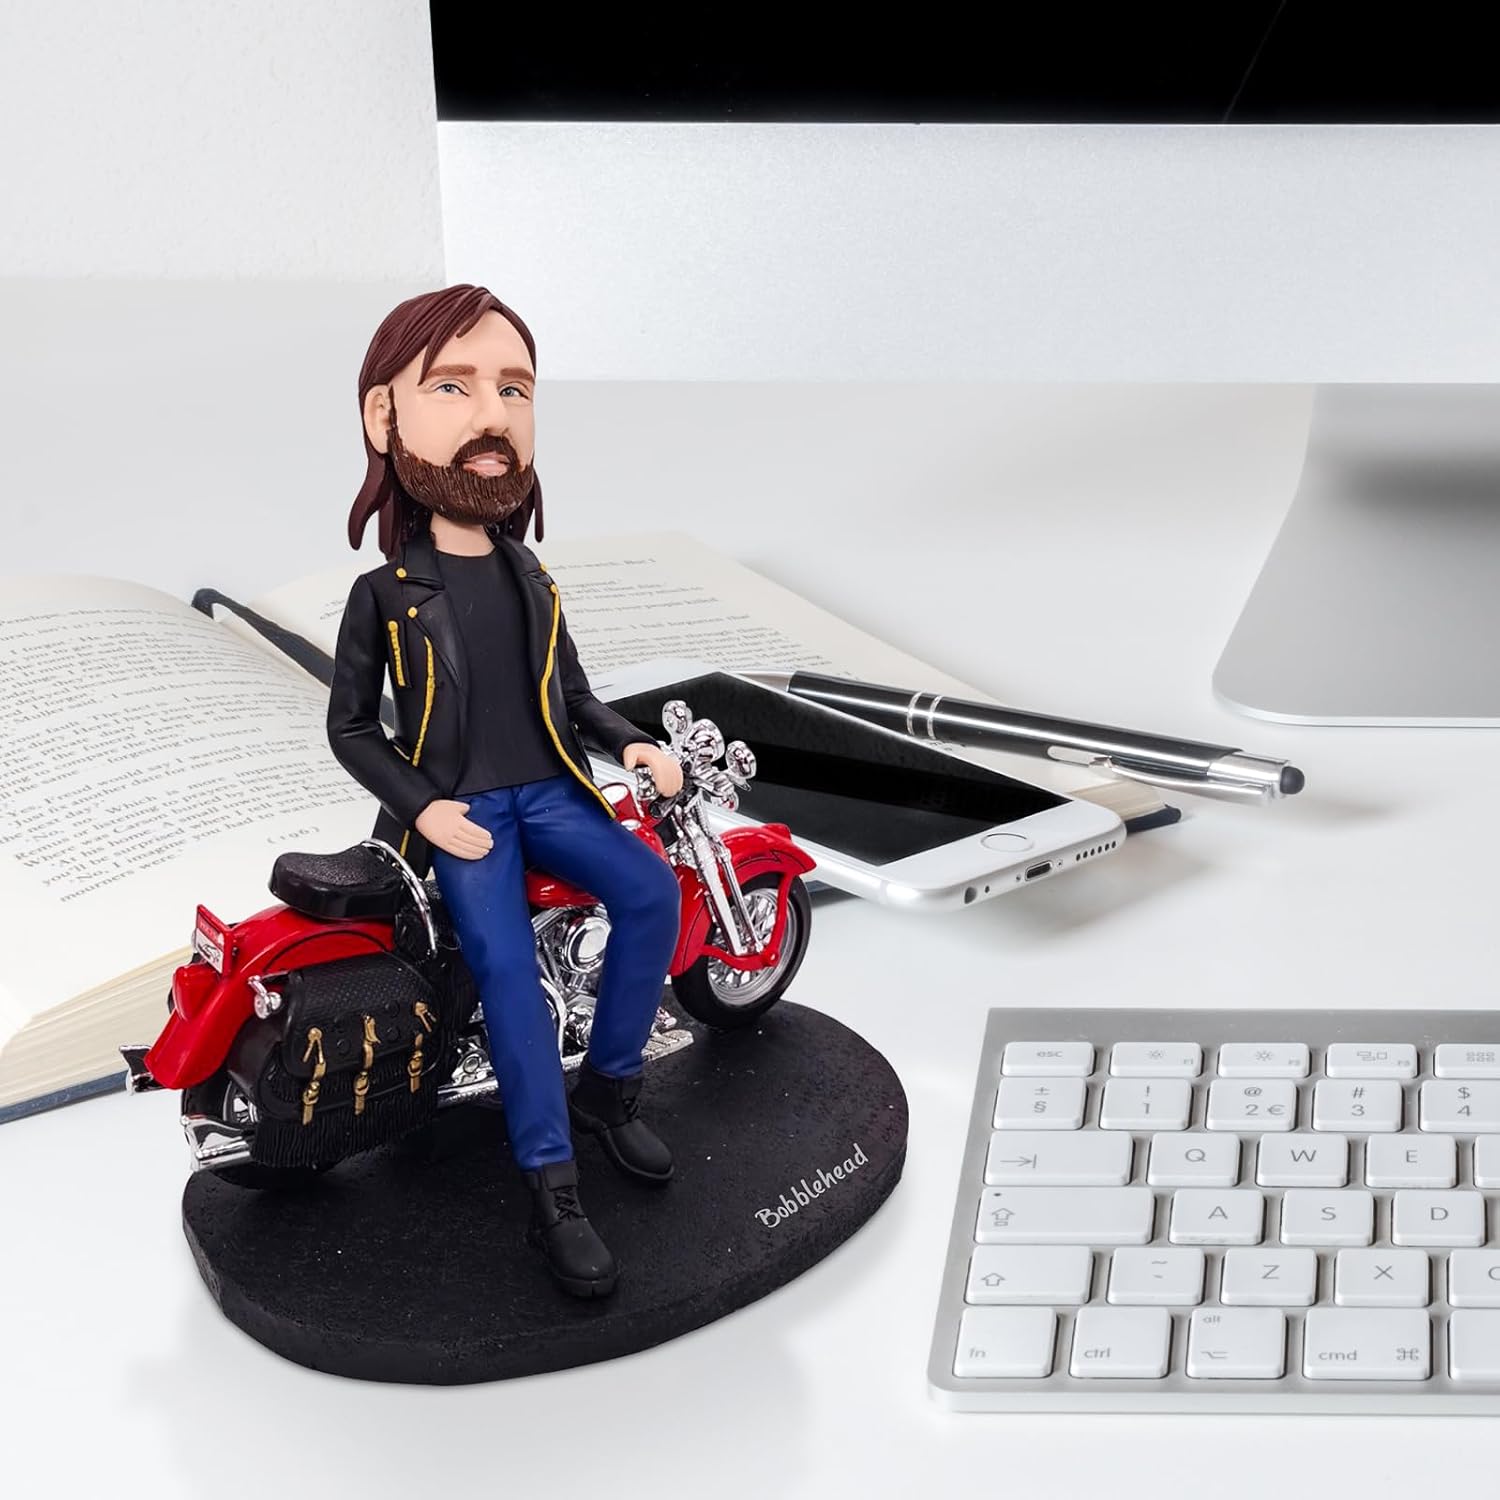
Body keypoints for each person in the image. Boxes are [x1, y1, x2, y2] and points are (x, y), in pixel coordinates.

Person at [326, 284, 685, 1299]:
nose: (493, 416)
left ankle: (610, 1087)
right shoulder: (384, 594)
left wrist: (633, 745)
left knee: (653, 892)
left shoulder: (532, 576)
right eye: (453, 386)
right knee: (509, 981)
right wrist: (424, 808)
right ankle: (552, 1188)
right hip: (464, 812)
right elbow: (350, 727)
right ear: (384, 416)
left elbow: (574, 697)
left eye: (515, 390)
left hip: (551, 791)